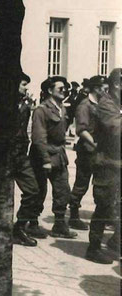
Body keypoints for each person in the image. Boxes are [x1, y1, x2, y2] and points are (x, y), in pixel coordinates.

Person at [29, 76, 76, 239]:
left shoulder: (62, 108)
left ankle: (60, 224)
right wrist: (45, 160)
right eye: (61, 89)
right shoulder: (41, 110)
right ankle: (32, 223)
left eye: (65, 89)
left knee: (63, 190)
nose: (65, 92)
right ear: (49, 91)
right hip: (43, 157)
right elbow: (38, 138)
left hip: (59, 156)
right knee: (39, 191)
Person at [86, 68, 121, 264]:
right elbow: (116, 128)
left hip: (117, 163)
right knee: (104, 206)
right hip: (107, 163)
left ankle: (116, 242)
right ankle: (94, 247)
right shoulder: (106, 103)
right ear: (117, 84)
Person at [69, 75, 106, 230]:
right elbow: (81, 130)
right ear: (96, 88)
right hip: (88, 150)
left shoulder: (102, 104)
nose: (107, 91)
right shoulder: (85, 105)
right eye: (105, 88)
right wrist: (95, 143)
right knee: (82, 183)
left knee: (102, 183)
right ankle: (73, 215)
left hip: (100, 151)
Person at [11, 73, 40, 247]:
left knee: (33, 190)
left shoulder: (25, 103)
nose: (26, 88)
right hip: (10, 152)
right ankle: (17, 229)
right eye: (23, 84)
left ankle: (20, 226)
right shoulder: (5, 104)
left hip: (21, 152)